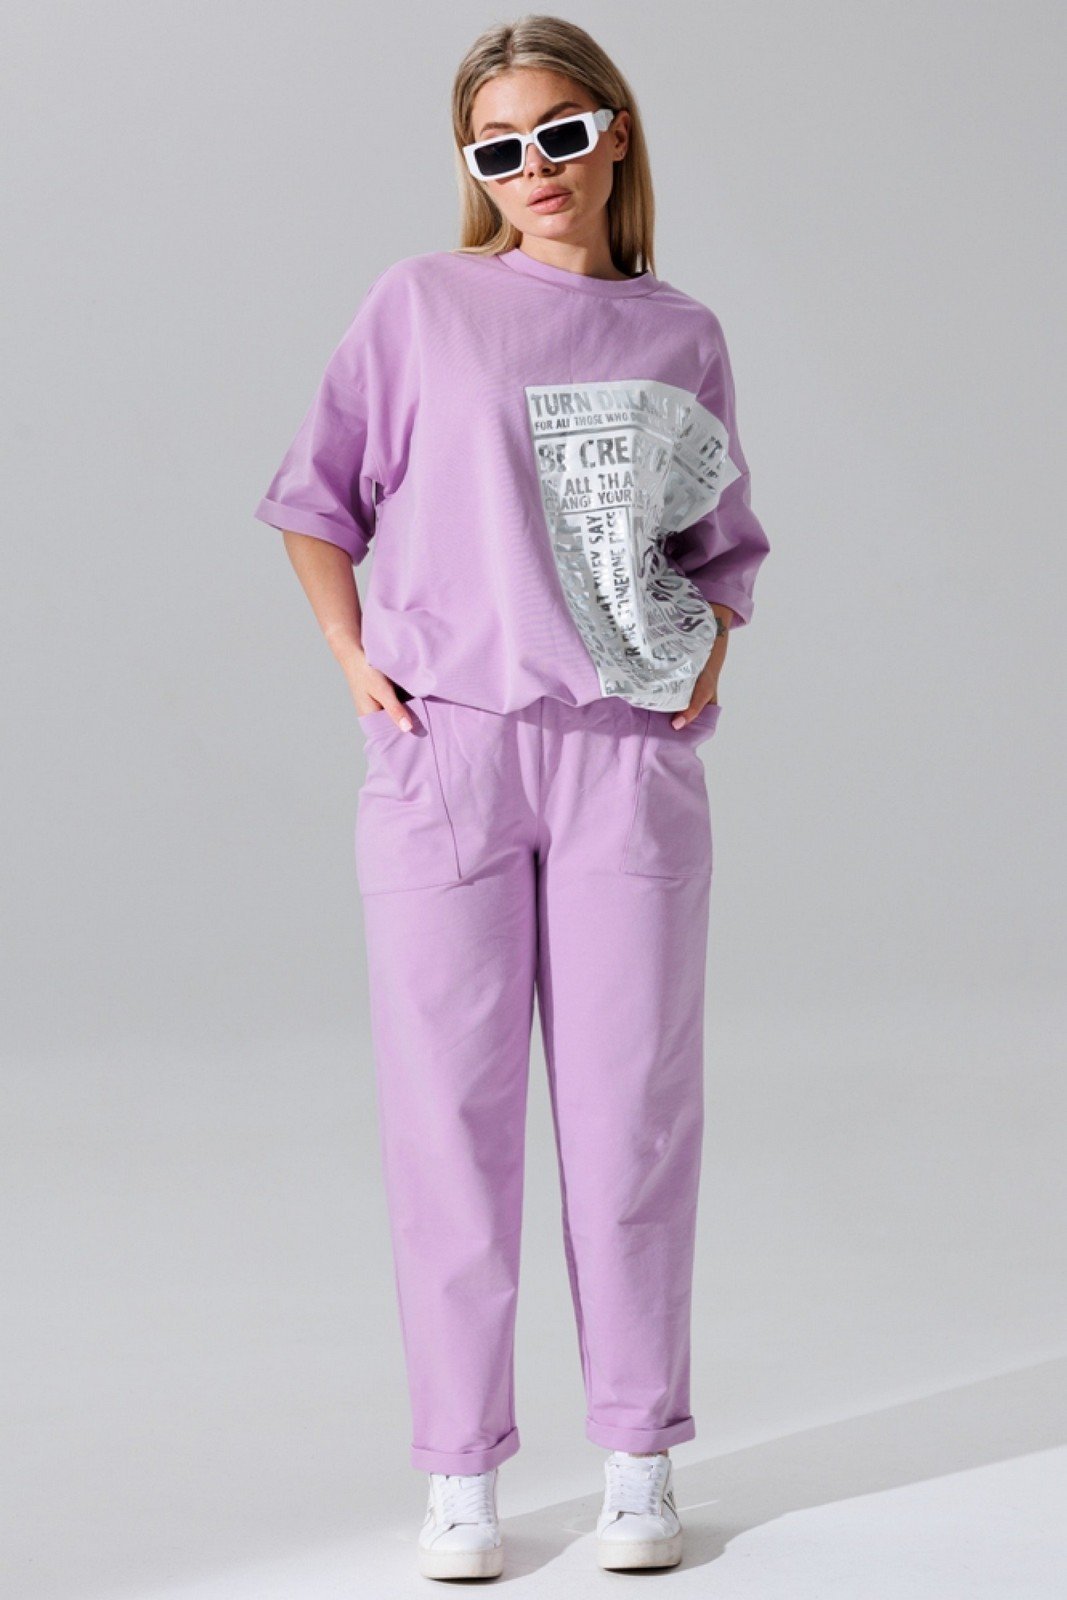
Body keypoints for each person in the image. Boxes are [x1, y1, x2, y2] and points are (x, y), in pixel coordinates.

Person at [252, 14, 770, 1581]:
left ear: (613, 131)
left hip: (623, 764)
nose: (531, 169)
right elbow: (317, 494)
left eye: (557, 133)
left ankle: (638, 1459)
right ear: (471, 167)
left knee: (633, 1121)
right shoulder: (422, 304)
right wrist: (351, 654)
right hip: (450, 756)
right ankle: (461, 1474)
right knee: (447, 1124)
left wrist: (706, 653)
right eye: (496, 149)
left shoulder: (681, 333)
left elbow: (719, 546)